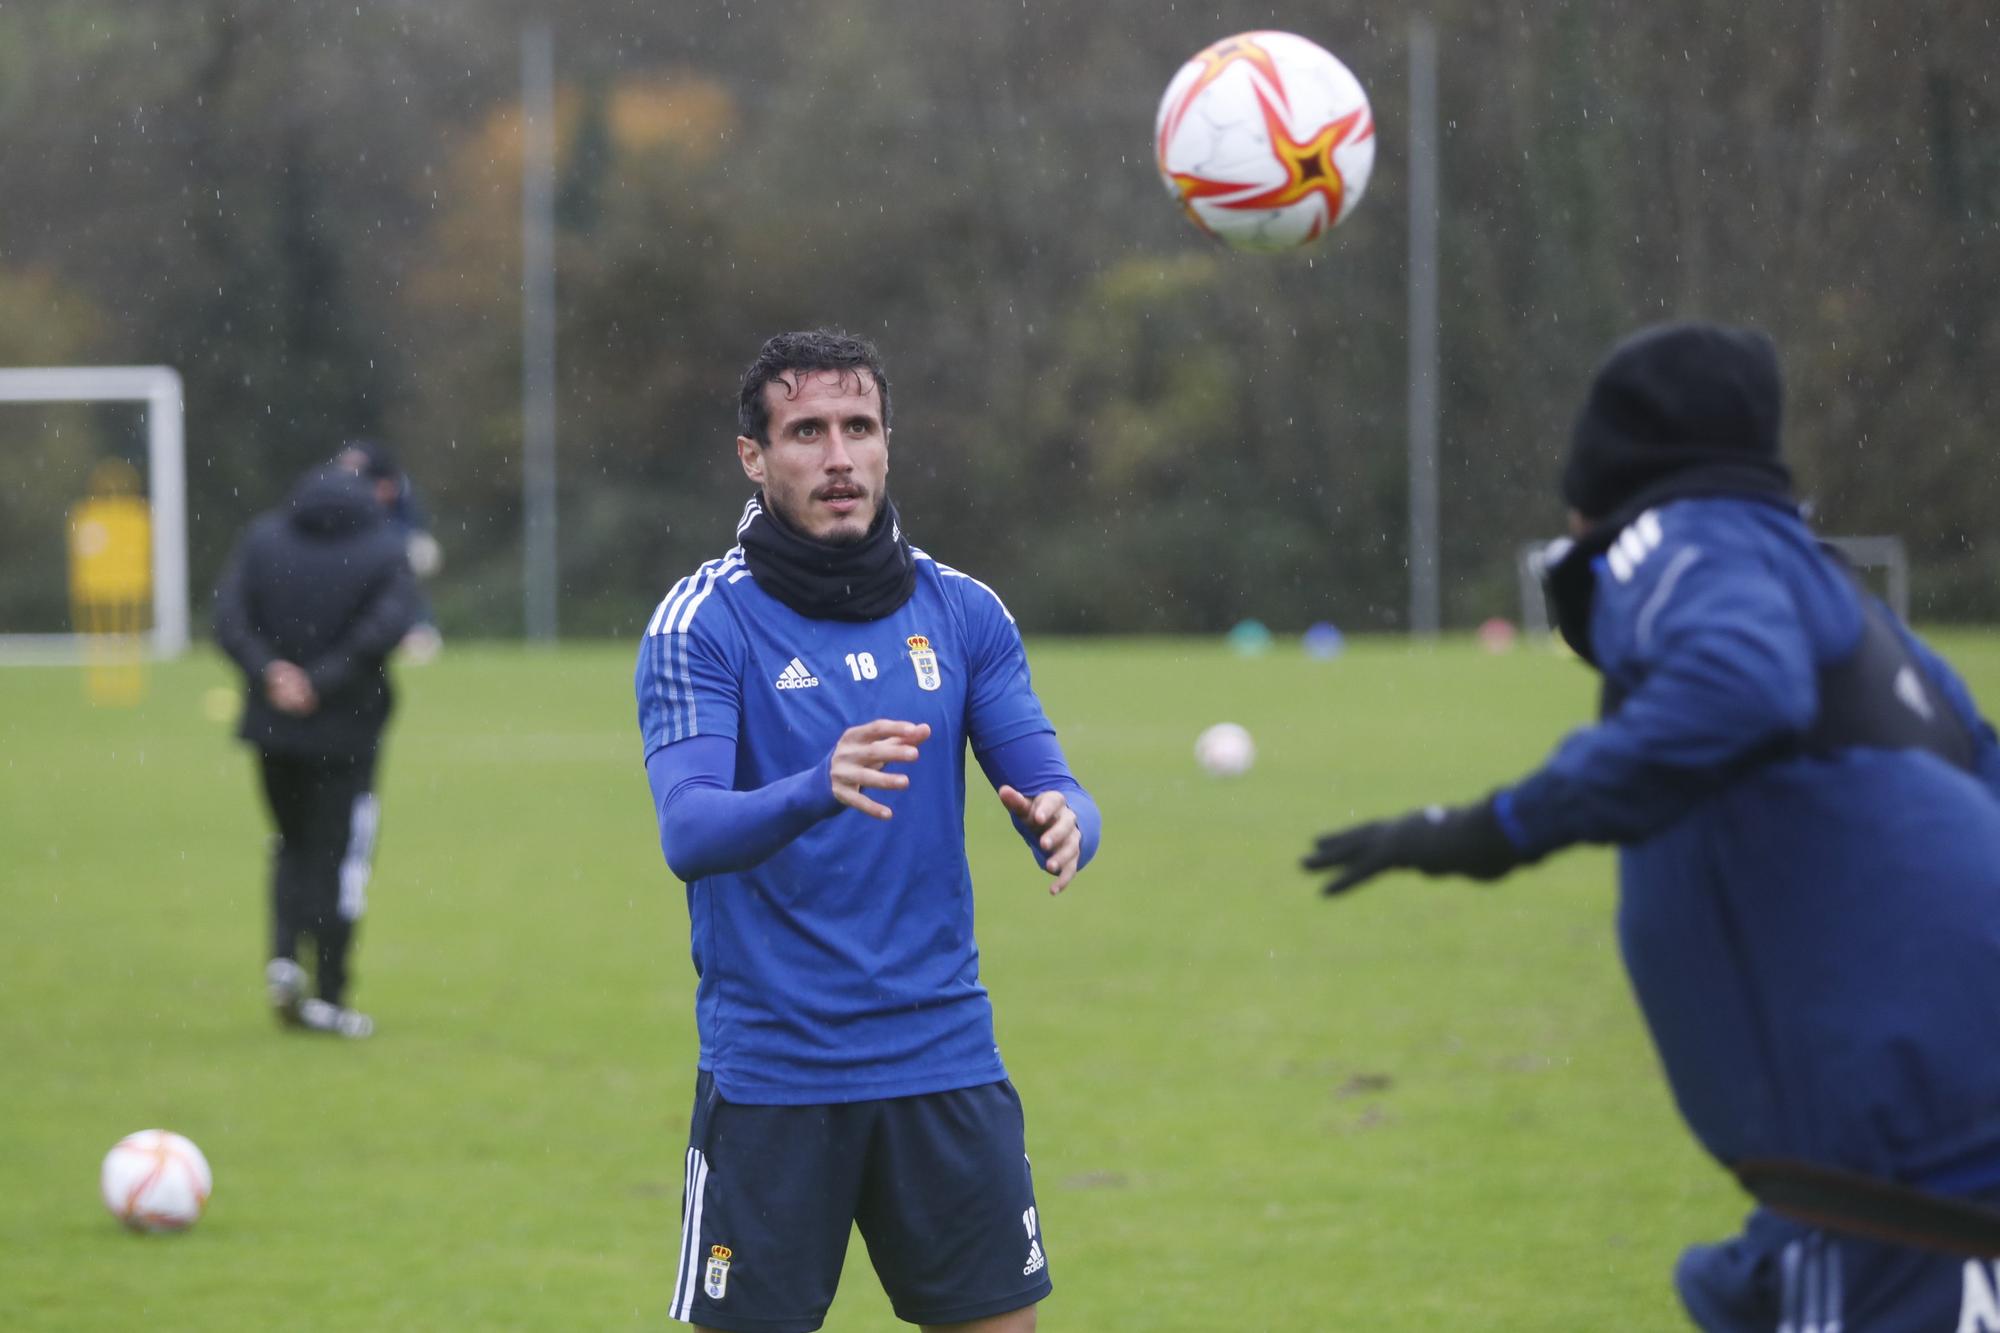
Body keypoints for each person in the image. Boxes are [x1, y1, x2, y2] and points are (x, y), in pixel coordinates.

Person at [1301, 322, 2000, 1330]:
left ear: (1600, 483)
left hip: (1911, 1207)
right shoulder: (1854, 613)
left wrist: (1494, 828)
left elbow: (1734, 685)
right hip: (1909, 1191)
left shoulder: (1680, 531)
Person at [634, 329, 1101, 1333]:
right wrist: (814, 785)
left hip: (945, 1059)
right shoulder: (702, 623)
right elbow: (689, 829)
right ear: (753, 458)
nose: (838, 457)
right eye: (805, 431)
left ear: (889, 443)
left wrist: (1067, 821)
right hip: (776, 1076)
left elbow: (1052, 784)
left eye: (859, 427)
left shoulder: (963, 611)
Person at [214, 464, 420, 1039]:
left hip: (273, 729)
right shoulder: (384, 547)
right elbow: (385, 626)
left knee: (289, 844)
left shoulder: (263, 537)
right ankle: (329, 995)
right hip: (346, 731)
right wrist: (322, 680)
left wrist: (272, 673)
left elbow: (229, 617)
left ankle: (283, 959)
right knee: (338, 858)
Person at [335, 439, 444, 663]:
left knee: (405, 573)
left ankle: (418, 629)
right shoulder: (341, 498)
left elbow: (409, 530)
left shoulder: (400, 494)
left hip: (393, 553)